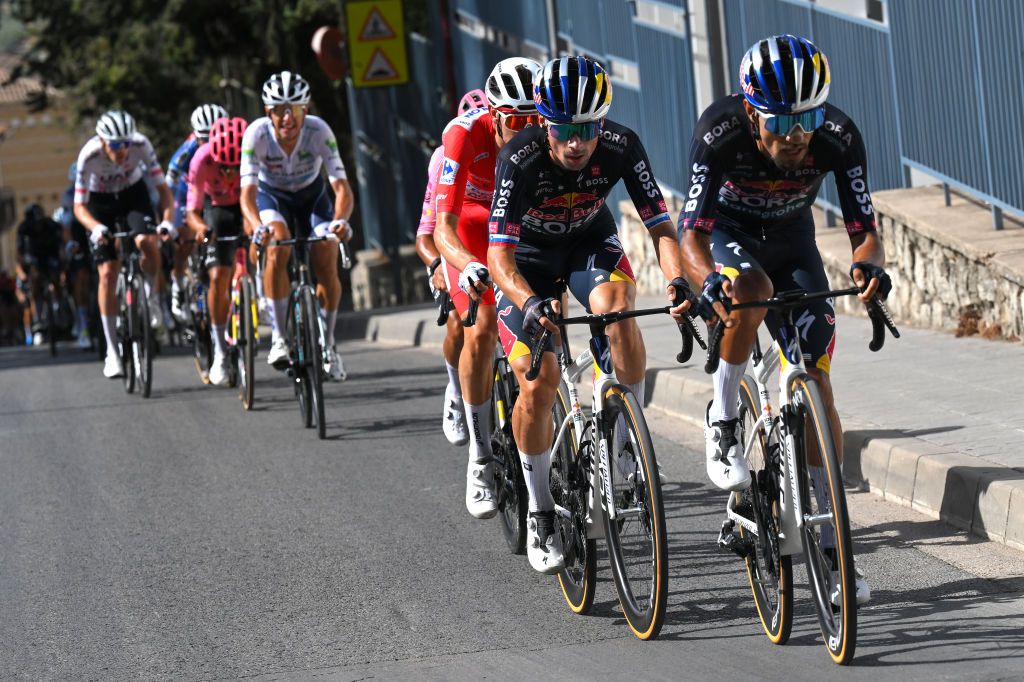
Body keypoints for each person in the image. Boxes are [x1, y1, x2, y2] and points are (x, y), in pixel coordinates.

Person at [677, 34, 889, 604]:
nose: (797, 134)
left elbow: (863, 227)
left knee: (817, 378)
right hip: (729, 237)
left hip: (793, 240)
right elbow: (688, 234)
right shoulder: (718, 131)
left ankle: (832, 541)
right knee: (751, 291)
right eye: (780, 121)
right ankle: (721, 418)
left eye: (808, 118)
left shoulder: (838, 136)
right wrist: (707, 281)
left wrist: (870, 267)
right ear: (751, 111)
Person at [487, 56, 689, 573]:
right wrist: (530, 301)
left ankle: (627, 442)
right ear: (543, 123)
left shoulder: (621, 145)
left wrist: (677, 280)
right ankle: (540, 509)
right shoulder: (520, 157)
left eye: (587, 129)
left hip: (588, 244)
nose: (576, 143)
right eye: (564, 130)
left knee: (619, 312)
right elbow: (498, 257)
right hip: (526, 263)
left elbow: (662, 228)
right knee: (540, 379)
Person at [433, 58, 543, 521]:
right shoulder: (463, 134)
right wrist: (467, 264)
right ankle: (480, 458)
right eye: (514, 121)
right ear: (494, 115)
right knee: (478, 328)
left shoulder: (549, 136)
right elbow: (444, 227)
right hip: (473, 230)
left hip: (520, 229)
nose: (524, 130)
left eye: (532, 121)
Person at [239, 70, 354, 381]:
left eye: (295, 109)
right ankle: (278, 337)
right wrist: (254, 225)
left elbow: (341, 188)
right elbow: (247, 195)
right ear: (268, 112)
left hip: (312, 198)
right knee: (277, 243)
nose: (287, 118)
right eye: (279, 110)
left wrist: (340, 221)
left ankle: (328, 343)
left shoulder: (319, 131)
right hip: (272, 198)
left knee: (326, 252)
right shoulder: (256, 135)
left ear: (307, 109)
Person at [73, 110, 176, 378]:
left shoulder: (141, 145)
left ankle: (151, 298)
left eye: (126, 144)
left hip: (133, 195)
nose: (122, 151)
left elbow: (164, 191)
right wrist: (96, 227)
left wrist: (167, 222)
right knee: (107, 273)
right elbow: (79, 207)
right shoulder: (89, 156)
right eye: (116, 145)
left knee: (147, 243)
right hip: (100, 203)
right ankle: (112, 351)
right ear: (102, 141)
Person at [414, 88, 488, 447]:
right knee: (461, 322)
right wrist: (435, 268)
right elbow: (427, 234)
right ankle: (457, 392)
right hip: (458, 240)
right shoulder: (445, 159)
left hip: (500, 238)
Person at [185, 117, 248, 386]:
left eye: (235, 167)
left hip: (246, 202)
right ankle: (220, 350)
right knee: (218, 275)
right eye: (225, 167)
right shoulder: (200, 159)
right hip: (216, 207)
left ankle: (262, 295)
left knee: (259, 240)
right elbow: (192, 211)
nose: (230, 173)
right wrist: (200, 229)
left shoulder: (253, 151)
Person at [166, 103, 229, 320]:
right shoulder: (187, 151)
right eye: (204, 139)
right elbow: (169, 181)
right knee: (185, 240)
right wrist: (170, 214)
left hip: (215, 190)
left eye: (215, 137)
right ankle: (179, 283)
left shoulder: (232, 143)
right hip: (187, 193)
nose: (210, 145)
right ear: (195, 135)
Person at [15, 203, 64, 345]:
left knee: (56, 278)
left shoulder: (51, 225)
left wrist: (62, 264)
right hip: (35, 258)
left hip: (50, 255)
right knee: (35, 281)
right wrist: (22, 272)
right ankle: (38, 321)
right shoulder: (24, 228)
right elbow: (19, 253)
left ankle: (58, 305)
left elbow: (62, 241)